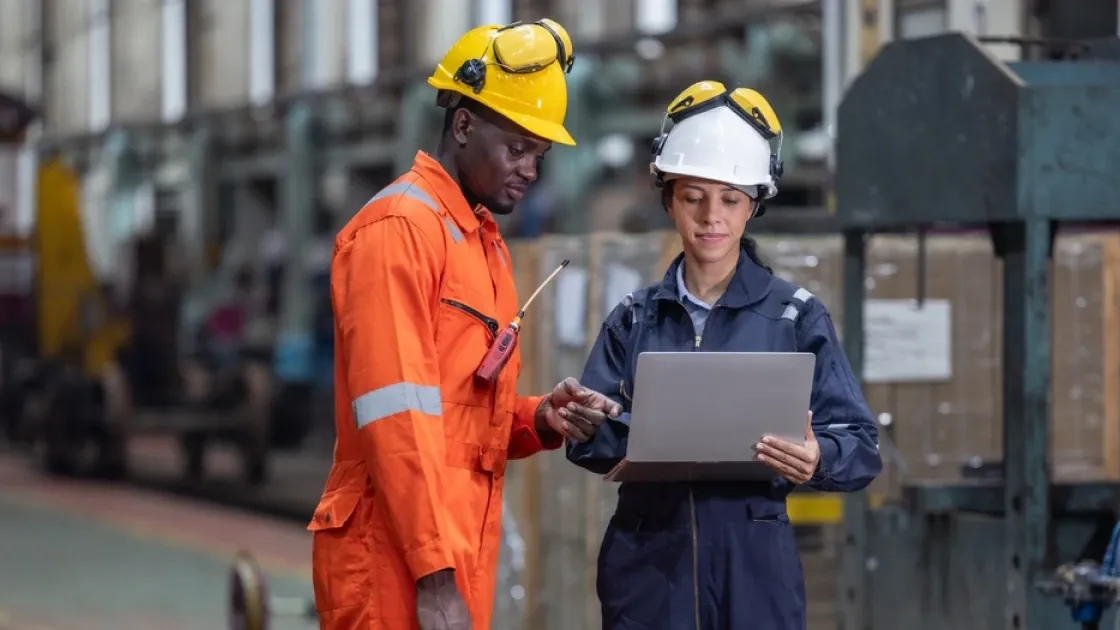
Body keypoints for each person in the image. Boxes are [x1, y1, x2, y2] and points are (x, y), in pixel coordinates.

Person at [309, 19, 621, 630]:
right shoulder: (399, 231)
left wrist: (536, 419)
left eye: (540, 154)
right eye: (517, 148)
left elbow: (459, 415)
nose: (530, 169)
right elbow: (397, 416)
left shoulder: (480, 243)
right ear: (462, 124)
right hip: (391, 555)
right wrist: (434, 575)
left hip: (451, 546)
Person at [566, 81, 883, 630]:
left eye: (731, 199)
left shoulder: (796, 318)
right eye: (694, 197)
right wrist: (588, 422)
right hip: (649, 571)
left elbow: (860, 445)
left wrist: (818, 457)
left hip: (754, 569)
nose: (712, 216)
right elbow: (591, 443)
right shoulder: (634, 319)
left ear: (754, 205)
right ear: (669, 200)